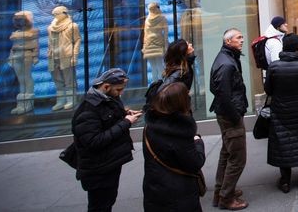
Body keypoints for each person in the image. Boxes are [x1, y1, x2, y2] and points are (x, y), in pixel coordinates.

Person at [72, 68, 140, 212]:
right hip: (98, 170)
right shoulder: (87, 110)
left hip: (108, 164)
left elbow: (107, 118)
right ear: (106, 86)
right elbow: (94, 141)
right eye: (118, 89)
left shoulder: (107, 99)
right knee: (100, 206)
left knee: (108, 201)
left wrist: (124, 113)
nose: (121, 93)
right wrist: (126, 122)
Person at [142, 82, 206, 212]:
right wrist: (198, 142)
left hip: (154, 189)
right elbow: (195, 162)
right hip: (179, 195)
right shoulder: (180, 133)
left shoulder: (149, 126)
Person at [265, 33, 298, 193]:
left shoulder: (274, 67)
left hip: (280, 110)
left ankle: (285, 180)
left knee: (282, 142)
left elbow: (268, 89)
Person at [209, 28, 249, 210]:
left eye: (241, 37)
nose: (242, 40)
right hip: (230, 115)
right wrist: (235, 115)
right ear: (228, 42)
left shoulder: (227, 58)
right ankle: (226, 197)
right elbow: (222, 93)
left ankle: (222, 191)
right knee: (237, 158)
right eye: (238, 38)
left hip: (227, 113)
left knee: (227, 153)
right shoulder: (226, 63)